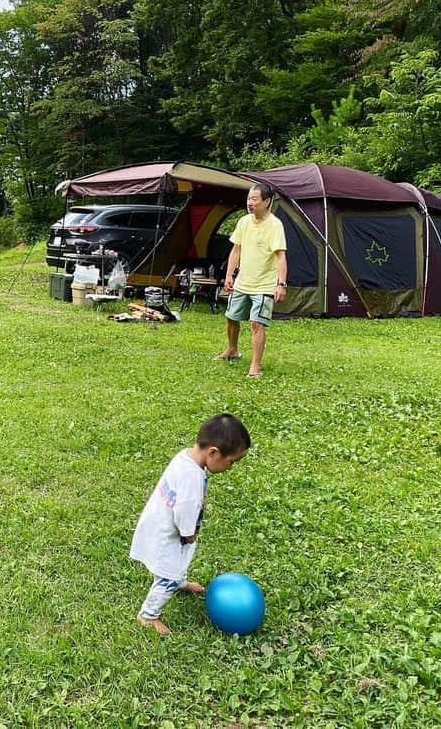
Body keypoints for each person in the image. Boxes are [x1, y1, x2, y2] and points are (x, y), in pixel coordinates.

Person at [130, 413, 251, 636]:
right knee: (169, 575)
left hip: (158, 524)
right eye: (231, 462)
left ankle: (181, 582)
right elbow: (184, 511)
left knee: (178, 565)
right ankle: (148, 615)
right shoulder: (192, 480)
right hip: (168, 535)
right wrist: (190, 534)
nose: (230, 468)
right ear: (213, 452)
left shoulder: (185, 457)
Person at [214, 183, 287, 378]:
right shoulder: (244, 222)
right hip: (242, 282)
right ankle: (232, 350)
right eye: (248, 199)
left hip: (264, 284)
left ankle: (255, 366)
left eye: (254, 199)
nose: (250, 203)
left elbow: (280, 256)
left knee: (256, 323)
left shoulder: (275, 225)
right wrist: (229, 275)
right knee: (231, 317)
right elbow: (236, 250)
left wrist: (281, 284)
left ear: (267, 201)